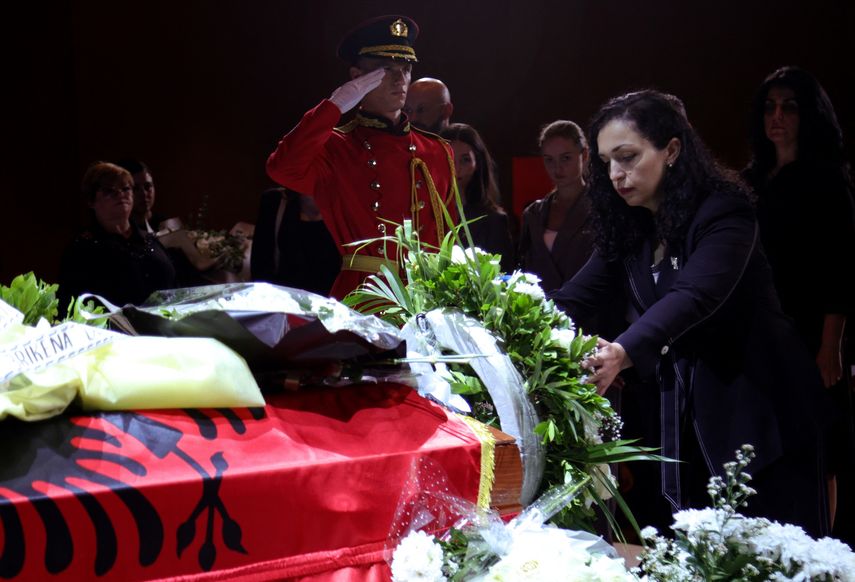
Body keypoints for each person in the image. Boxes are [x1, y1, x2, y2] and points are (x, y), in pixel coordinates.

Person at [551, 90, 829, 537]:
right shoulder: (632, 224)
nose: (615, 174)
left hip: (759, 408)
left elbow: (694, 296)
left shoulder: (725, 210)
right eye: (605, 163)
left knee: (771, 552)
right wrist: (515, 322)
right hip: (682, 414)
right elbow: (573, 297)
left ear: (673, 150)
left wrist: (622, 350)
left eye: (627, 157)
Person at [266, 15, 457, 299]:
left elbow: (448, 237)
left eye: (405, 69)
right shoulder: (336, 147)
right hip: (367, 294)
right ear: (357, 78)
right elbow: (282, 169)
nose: (399, 79)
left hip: (427, 294)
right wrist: (335, 105)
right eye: (385, 69)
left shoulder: (437, 150)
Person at [743, 66, 855, 544]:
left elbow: (842, 267)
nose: (777, 116)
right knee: (773, 444)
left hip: (811, 327)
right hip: (763, 328)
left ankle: (825, 551)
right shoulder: (751, 179)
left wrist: (831, 346)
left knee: (820, 446)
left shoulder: (828, 179)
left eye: (789, 106)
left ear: (807, 114)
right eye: (769, 107)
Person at [58, 162, 176, 308]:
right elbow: (70, 303)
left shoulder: (149, 239)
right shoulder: (82, 249)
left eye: (125, 189)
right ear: (91, 200)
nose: (120, 195)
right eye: (109, 191)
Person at [518, 120, 595, 293]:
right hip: (543, 311)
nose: (557, 168)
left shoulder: (602, 209)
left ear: (584, 155)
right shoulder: (533, 215)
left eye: (566, 158)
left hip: (590, 312)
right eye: (549, 160)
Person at [439, 123, 515, 271]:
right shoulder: (426, 213)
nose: (456, 168)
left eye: (465, 160)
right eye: (449, 158)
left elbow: (502, 274)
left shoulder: (493, 220)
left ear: (477, 163)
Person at [250, 187, 341, 295]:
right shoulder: (275, 201)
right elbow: (261, 266)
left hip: (333, 303)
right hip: (283, 301)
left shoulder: (347, 204)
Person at [116, 158, 163, 233]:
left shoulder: (164, 224)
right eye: (135, 189)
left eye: (147, 186)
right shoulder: (118, 232)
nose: (144, 194)